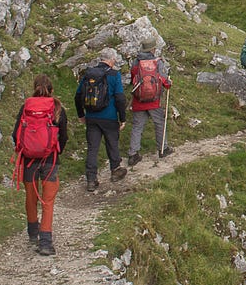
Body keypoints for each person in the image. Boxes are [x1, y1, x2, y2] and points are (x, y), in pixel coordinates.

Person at [13, 75, 69, 256]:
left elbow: (16, 134)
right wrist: (56, 151)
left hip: (28, 159)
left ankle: (32, 232)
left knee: (30, 197)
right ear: (51, 90)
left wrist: (26, 148)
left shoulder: (26, 108)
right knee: (48, 201)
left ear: (34, 88)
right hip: (50, 160)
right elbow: (64, 136)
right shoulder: (57, 108)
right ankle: (45, 242)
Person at [76, 47, 128, 192]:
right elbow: (119, 98)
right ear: (111, 60)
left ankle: (91, 179)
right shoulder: (114, 75)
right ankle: (115, 170)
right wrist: (122, 118)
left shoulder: (89, 74)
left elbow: (78, 96)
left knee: (93, 147)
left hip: (91, 117)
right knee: (112, 143)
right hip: (109, 117)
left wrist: (81, 115)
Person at [126, 37, 173, 166]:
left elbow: (133, 79)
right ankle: (163, 149)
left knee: (137, 127)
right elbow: (164, 81)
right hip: (154, 100)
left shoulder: (136, 62)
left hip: (139, 100)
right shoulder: (157, 62)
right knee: (159, 124)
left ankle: (133, 154)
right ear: (153, 49)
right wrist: (168, 84)